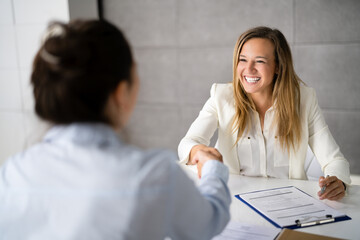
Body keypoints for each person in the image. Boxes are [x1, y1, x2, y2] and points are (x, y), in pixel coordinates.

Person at [0, 20, 231, 239]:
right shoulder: (153, 175)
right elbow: (208, 223)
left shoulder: (12, 172)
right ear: (121, 92)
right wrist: (213, 170)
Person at [178, 26, 351, 201]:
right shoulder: (221, 96)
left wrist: (339, 182)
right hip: (234, 201)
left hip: (290, 203)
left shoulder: (304, 100)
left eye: (259, 61)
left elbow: (335, 160)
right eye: (243, 59)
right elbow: (188, 143)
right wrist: (199, 152)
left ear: (278, 66)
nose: (248, 69)